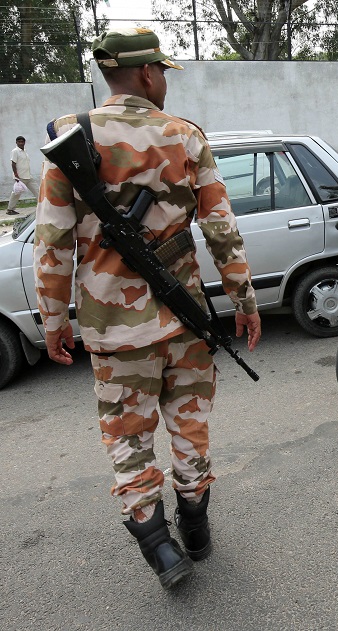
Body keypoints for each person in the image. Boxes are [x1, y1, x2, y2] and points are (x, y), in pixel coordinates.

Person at [34, 27, 261, 589]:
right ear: (147, 73)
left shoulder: (72, 137)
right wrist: (244, 301)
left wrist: (53, 322)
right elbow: (221, 229)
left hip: (113, 330)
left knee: (128, 440)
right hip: (186, 323)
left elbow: (52, 243)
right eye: (162, 71)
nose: (164, 81)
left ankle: (162, 550)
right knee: (191, 431)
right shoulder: (184, 136)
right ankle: (197, 531)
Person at [7, 136, 41, 215]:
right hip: (20, 177)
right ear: (16, 143)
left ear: (24, 142)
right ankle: (10, 209)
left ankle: (43, 206)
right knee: (16, 193)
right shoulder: (15, 151)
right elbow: (13, 163)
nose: (21, 143)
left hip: (28, 176)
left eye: (22, 142)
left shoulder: (25, 151)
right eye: (19, 142)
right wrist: (15, 175)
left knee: (38, 190)